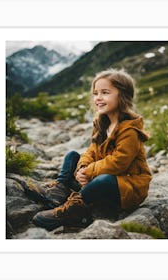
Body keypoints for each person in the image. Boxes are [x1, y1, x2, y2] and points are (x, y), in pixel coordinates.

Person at [32, 68, 152, 231]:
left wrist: (89, 171)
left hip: (126, 186)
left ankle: (74, 210)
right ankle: (59, 193)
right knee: (72, 156)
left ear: (122, 96)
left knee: (102, 181)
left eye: (105, 92)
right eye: (96, 93)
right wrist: (82, 168)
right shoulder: (102, 124)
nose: (98, 98)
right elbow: (91, 151)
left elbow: (119, 163)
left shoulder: (129, 130)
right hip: (101, 176)